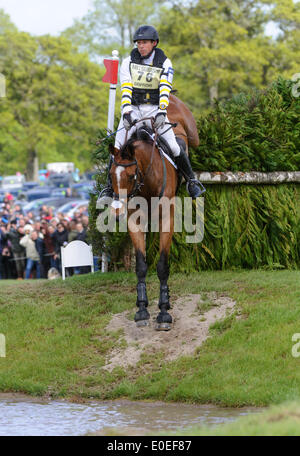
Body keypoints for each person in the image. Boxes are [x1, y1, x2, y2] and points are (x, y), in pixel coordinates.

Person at [98, 25, 203, 205]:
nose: (141, 46)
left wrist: (162, 111)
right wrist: (127, 113)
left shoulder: (164, 62)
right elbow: (126, 89)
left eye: (145, 42)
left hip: (155, 109)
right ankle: (109, 188)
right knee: (117, 147)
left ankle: (192, 181)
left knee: (174, 145)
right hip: (135, 109)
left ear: (154, 43)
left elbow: (164, 88)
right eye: (138, 43)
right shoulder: (127, 62)